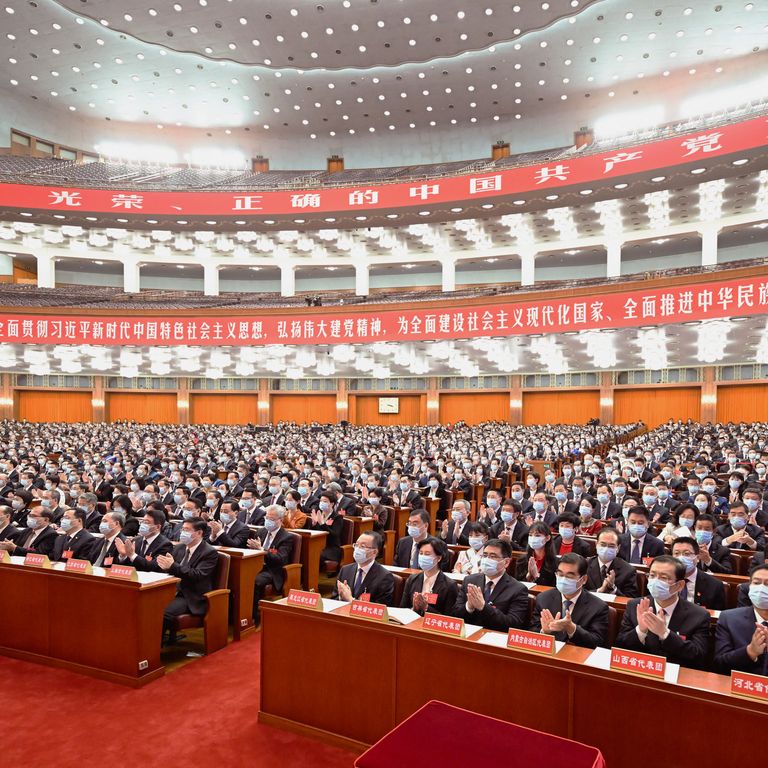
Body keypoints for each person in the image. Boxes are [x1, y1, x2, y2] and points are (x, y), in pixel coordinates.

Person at [614, 554, 710, 669]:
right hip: (640, 671)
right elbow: (620, 647)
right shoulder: (635, 605)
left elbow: (699, 656)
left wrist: (664, 633)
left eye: (664, 578)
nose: (655, 581)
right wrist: (641, 630)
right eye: (652, 575)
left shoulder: (699, 615)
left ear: (679, 585)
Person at [153, 519, 220, 645]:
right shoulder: (179, 548)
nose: (182, 532)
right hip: (171, 590)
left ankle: (153, 649)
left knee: (162, 613)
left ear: (199, 533)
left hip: (191, 595)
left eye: (186, 530)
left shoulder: (209, 552)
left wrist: (172, 566)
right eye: (182, 529)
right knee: (147, 607)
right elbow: (171, 569)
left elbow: (197, 575)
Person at [531, 553, 609, 649]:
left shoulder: (598, 607)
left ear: (583, 579)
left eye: (569, 576)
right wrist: (544, 632)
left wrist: (572, 628)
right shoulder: (543, 598)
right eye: (560, 574)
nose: (563, 579)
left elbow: (597, 642)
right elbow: (532, 630)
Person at [452, 538, 529, 631]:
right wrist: (469, 606)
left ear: (506, 562)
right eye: (484, 555)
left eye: (493, 556)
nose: (487, 560)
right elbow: (455, 614)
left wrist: (483, 607)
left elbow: (513, 624)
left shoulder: (518, 589)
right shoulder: (470, 580)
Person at [714, 564, 768, 675]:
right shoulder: (729, 619)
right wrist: (750, 651)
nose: (761, 588)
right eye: (756, 583)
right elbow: (719, 664)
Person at [248, 504, 295, 621]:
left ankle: (254, 616)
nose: (268, 521)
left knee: (254, 581)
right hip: (255, 566)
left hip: (272, 570)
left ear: (280, 520)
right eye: (266, 518)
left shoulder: (286, 537)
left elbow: (280, 559)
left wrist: (262, 550)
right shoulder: (260, 532)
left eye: (271, 519)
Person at [333, 531, 394, 606]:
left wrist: (350, 600)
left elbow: (380, 608)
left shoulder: (384, 576)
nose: (357, 549)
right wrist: (341, 596)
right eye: (356, 545)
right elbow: (334, 597)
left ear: (374, 552)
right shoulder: (345, 570)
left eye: (363, 546)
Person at [400, 536, 458, 616]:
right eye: (421, 553)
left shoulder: (449, 585)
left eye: (427, 554)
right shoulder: (412, 579)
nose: (423, 557)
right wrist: (414, 608)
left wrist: (426, 608)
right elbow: (402, 609)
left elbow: (450, 618)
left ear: (438, 558)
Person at [670, 537, 726, 611]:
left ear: (697, 557)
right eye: (676, 553)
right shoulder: (664, 580)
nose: (681, 558)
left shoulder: (714, 585)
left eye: (686, 554)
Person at [585, 526, 639, 598]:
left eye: (611, 546)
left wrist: (613, 589)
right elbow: (577, 592)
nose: (606, 549)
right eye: (603, 544)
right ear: (596, 544)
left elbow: (630, 599)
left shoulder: (628, 570)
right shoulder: (585, 564)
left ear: (618, 548)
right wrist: (599, 591)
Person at [515, 521, 557, 586]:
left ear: (547, 538)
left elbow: (552, 587)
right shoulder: (522, 560)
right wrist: (528, 577)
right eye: (530, 535)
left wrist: (536, 576)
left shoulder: (555, 562)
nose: (533, 538)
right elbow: (517, 583)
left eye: (537, 535)